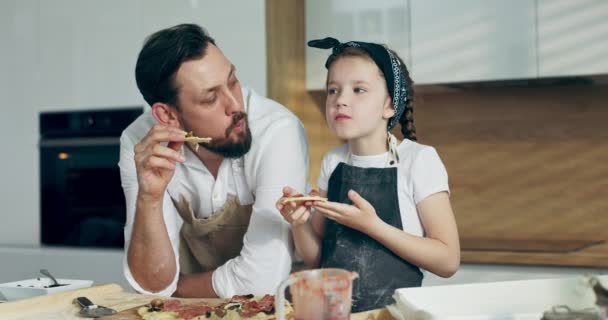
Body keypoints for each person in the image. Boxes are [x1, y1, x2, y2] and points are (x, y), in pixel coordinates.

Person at [118, 24, 309, 298]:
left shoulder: (277, 131)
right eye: (210, 98)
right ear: (167, 115)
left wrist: (177, 289)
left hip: (278, 306)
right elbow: (153, 283)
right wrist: (149, 197)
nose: (235, 106)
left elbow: (263, 281)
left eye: (233, 81)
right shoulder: (141, 145)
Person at [276, 37, 460, 312]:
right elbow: (319, 262)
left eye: (358, 89)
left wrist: (373, 226)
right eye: (333, 90)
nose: (341, 101)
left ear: (389, 105)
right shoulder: (333, 162)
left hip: (394, 316)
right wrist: (298, 223)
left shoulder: (419, 160)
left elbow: (448, 261)